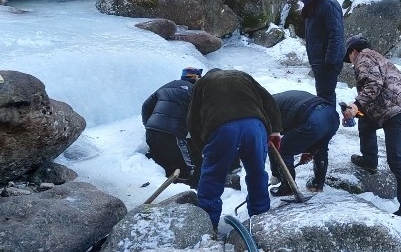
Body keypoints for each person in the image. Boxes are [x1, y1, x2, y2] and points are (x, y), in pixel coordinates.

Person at [187, 69, 282, 227]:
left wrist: (203, 148)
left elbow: (192, 120)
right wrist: (275, 130)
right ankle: (260, 220)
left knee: (213, 176)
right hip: (255, 126)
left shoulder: (202, 84)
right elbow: (269, 101)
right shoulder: (242, 76)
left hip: (222, 129)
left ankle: (209, 225)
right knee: (257, 173)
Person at [342, 35, 401, 220]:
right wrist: (357, 112)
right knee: (365, 123)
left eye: (349, 56)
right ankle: (370, 160)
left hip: (395, 112)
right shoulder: (378, 58)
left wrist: (355, 105)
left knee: (397, 160)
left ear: (353, 51)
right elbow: (378, 88)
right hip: (396, 107)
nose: (350, 61)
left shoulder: (364, 57)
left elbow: (374, 84)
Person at [269, 90, 340, 196]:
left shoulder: (264, 110)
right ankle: (317, 184)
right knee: (321, 148)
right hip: (332, 115)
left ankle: (287, 187)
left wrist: (276, 173)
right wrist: (308, 151)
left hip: (313, 119)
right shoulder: (275, 100)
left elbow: (272, 144)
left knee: (283, 149)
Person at [141, 67, 203, 187]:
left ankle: (167, 193)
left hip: (151, 131)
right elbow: (201, 116)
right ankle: (189, 194)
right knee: (188, 169)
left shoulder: (167, 85)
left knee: (160, 162)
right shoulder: (195, 91)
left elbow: (146, 105)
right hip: (173, 135)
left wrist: (148, 125)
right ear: (196, 78)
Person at [290, 0, 345, 108]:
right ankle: (328, 124)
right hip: (320, 59)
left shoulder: (327, 4)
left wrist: (330, 61)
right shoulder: (314, 3)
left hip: (327, 61)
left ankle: (328, 125)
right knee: (325, 95)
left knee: (325, 97)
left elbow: (336, 34)